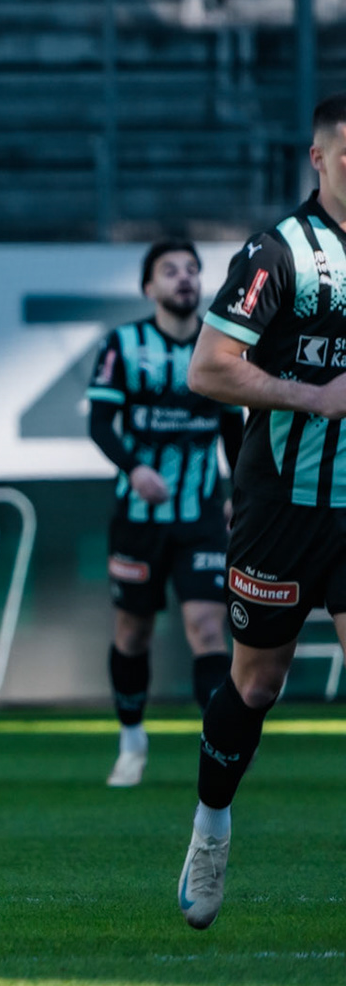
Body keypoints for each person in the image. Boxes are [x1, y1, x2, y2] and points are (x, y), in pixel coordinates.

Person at [177, 91, 346, 929]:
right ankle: (211, 825)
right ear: (319, 159)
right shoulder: (280, 253)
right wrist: (310, 396)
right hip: (280, 505)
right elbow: (207, 370)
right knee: (257, 683)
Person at [85, 239, 242, 788]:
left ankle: (218, 749)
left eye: (192, 270)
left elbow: (232, 430)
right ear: (148, 287)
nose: (184, 279)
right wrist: (134, 469)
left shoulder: (219, 347)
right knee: (132, 633)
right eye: (170, 271)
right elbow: (101, 423)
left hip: (200, 516)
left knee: (206, 627)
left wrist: (239, 489)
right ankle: (131, 739)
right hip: (137, 516)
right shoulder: (123, 346)